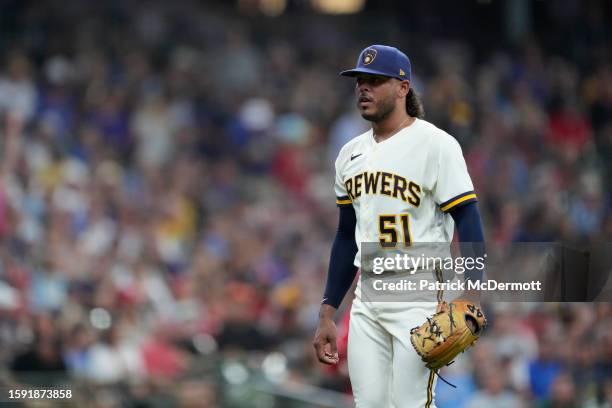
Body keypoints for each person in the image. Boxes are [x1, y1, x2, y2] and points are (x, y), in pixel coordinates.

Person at [313, 45, 485, 407]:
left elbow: (468, 217)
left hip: (419, 292)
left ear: (403, 88)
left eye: (375, 81)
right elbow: (346, 236)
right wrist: (328, 311)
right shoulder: (349, 155)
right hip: (368, 296)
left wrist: (472, 291)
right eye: (360, 81)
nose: (364, 89)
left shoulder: (435, 144)